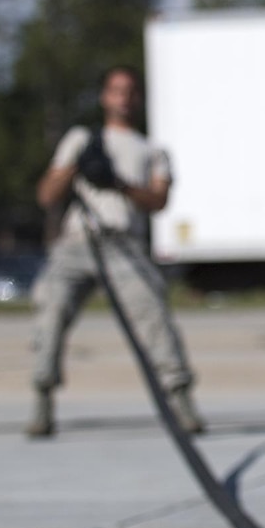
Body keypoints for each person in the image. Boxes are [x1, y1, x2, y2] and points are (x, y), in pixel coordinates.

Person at [26, 65, 202, 439]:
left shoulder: (152, 149)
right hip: (79, 240)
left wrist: (119, 183)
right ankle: (42, 395)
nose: (123, 98)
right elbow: (46, 195)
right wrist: (76, 163)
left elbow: (158, 200)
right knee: (50, 314)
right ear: (105, 97)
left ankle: (179, 396)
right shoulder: (81, 138)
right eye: (115, 90)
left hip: (123, 243)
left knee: (153, 318)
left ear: (137, 99)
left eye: (130, 91)